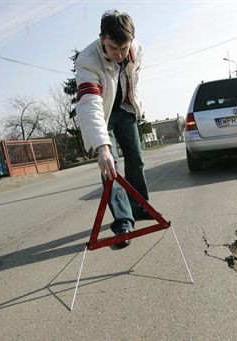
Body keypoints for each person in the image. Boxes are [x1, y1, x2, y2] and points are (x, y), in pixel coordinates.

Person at [75, 10, 151, 248]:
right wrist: (102, 147)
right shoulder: (87, 61)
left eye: (123, 48)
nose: (118, 55)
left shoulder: (136, 49)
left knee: (136, 159)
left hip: (125, 110)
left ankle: (139, 207)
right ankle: (123, 222)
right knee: (110, 166)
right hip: (103, 114)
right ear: (101, 39)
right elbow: (90, 105)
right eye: (112, 48)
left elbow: (132, 80)